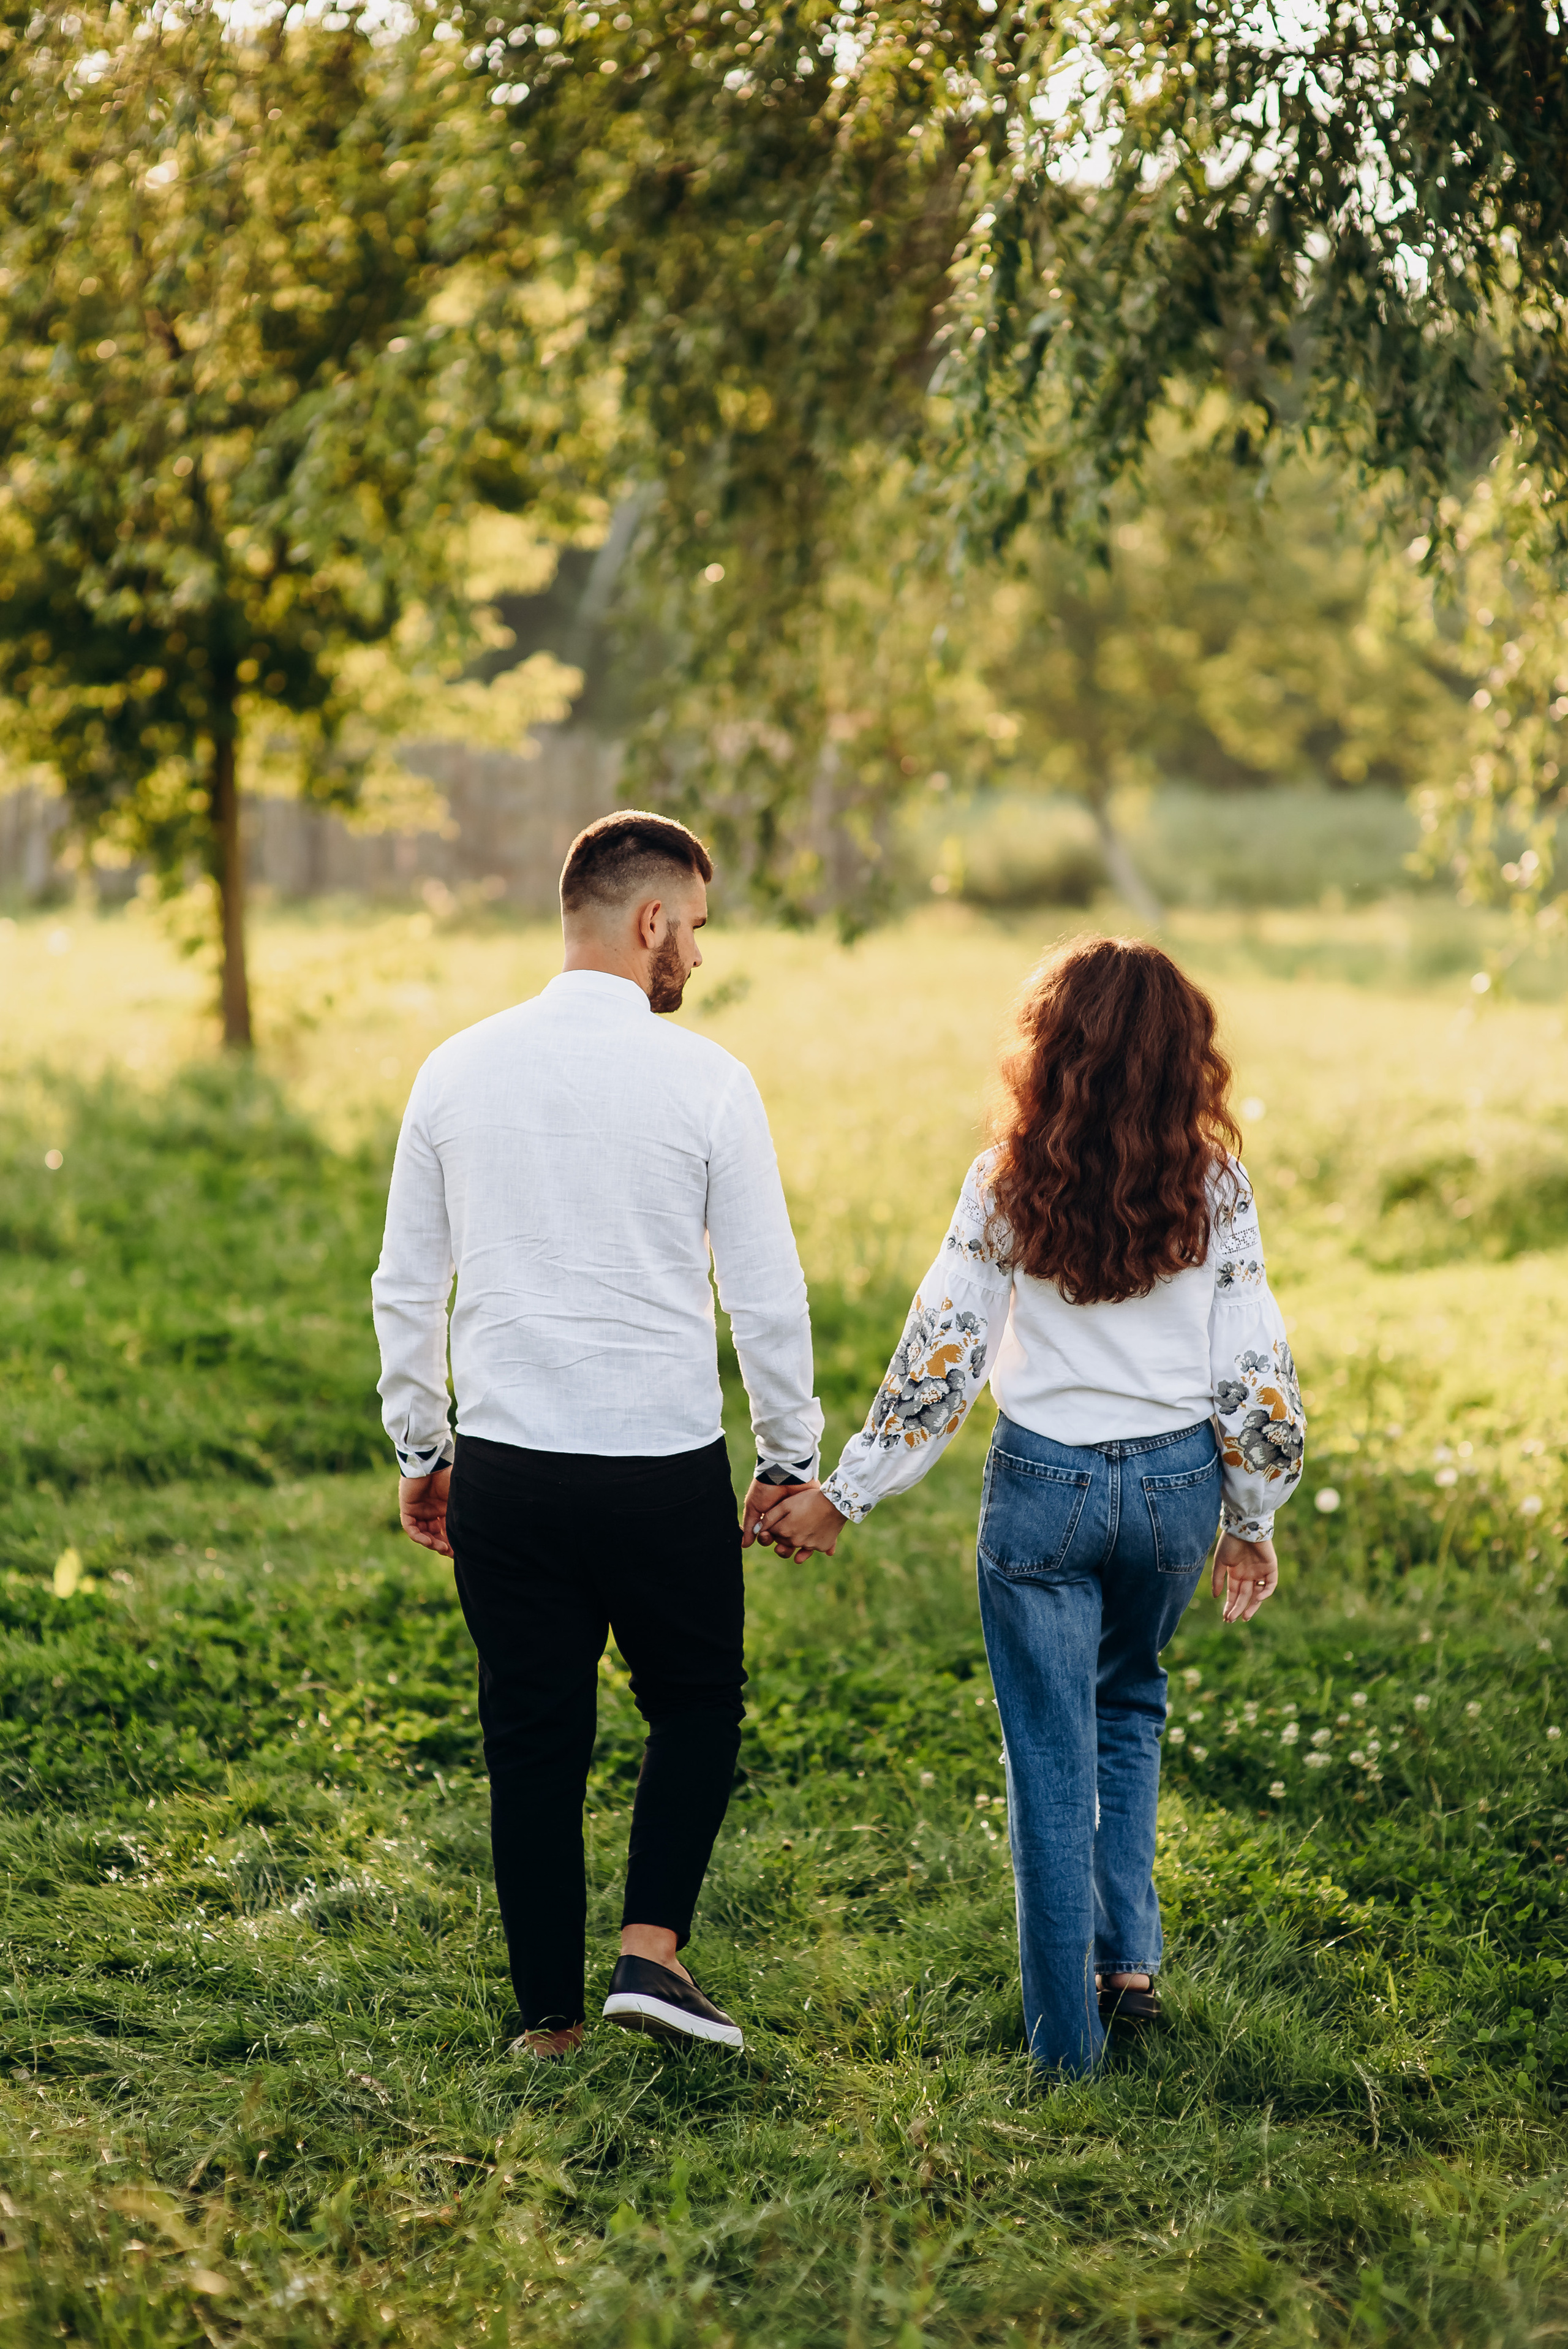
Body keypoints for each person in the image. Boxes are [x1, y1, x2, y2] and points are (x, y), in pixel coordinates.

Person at [754, 936, 1305, 2076]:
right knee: (1129, 1703)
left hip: (1045, 1487)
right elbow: (1253, 1371)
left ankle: (1068, 2046)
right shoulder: (1215, 1183)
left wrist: (845, 1494)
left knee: (1048, 1754)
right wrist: (1250, 1515)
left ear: (1049, 1053)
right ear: (1182, 1058)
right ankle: (1130, 1962)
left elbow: (943, 1354)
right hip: (1171, 1491)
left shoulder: (1008, 1178)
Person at [372, 811, 822, 2060]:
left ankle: (546, 2025)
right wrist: (789, 1458)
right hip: (658, 1472)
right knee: (693, 1705)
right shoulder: (708, 1083)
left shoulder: (455, 1070)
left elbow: (409, 1287)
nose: (695, 960)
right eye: (694, 932)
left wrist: (423, 1449)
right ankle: (650, 1953)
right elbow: (766, 1295)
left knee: (531, 1735)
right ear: (649, 922)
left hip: (507, 1472)